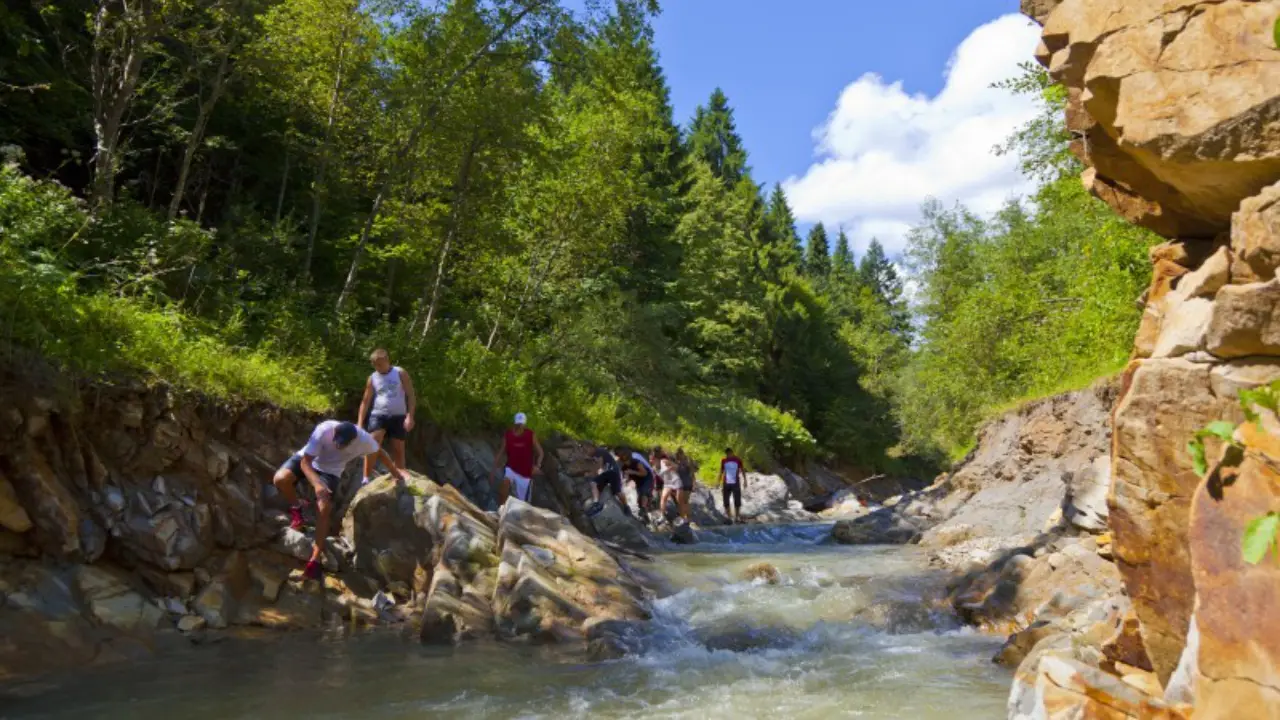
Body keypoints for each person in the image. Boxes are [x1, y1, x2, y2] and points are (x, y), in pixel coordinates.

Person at [273, 420, 405, 580]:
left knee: (324, 508)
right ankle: (297, 509)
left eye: (343, 444)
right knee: (280, 479)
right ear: (334, 432)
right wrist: (317, 485)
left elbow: (379, 453)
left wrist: (395, 473)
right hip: (308, 461)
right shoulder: (324, 430)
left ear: (353, 441)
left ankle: (315, 559)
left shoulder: (364, 440)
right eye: (337, 441)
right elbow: (305, 462)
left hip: (330, 472)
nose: (338, 446)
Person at [358, 348, 416, 486]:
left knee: (398, 448)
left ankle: (399, 474)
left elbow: (411, 395)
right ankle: (366, 477)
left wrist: (410, 416)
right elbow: (365, 401)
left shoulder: (400, 373)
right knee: (372, 443)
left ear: (387, 360)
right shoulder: (372, 378)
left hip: (398, 415)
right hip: (378, 414)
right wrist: (359, 423)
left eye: (379, 364)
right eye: (375, 365)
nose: (377, 367)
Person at [493, 412, 544, 504]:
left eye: (521, 423)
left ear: (524, 424)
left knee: (521, 502)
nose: (520, 426)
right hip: (511, 468)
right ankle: (501, 509)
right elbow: (501, 452)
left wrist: (537, 466)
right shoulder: (508, 435)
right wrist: (493, 470)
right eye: (518, 423)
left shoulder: (530, 435)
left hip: (525, 473)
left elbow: (540, 452)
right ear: (515, 423)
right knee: (505, 484)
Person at [586, 444, 627, 517]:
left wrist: (591, 474)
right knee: (594, 483)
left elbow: (599, 467)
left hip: (612, 472)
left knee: (617, 492)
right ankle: (596, 504)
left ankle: (626, 506)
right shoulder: (597, 453)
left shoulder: (599, 451)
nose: (586, 450)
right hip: (608, 473)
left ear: (592, 447)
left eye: (586, 448)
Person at [618, 447, 656, 520]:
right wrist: (627, 480)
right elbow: (626, 477)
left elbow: (644, 473)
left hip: (647, 478)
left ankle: (644, 508)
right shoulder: (624, 467)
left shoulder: (637, 462)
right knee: (639, 499)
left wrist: (633, 472)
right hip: (638, 481)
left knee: (644, 492)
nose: (625, 462)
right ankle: (646, 515)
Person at [718, 448, 747, 524]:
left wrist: (745, 480)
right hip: (726, 483)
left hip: (735, 482)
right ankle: (729, 517)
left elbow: (742, 470)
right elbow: (721, 471)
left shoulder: (738, 460)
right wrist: (718, 481)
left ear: (732, 452)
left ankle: (737, 517)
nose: (728, 455)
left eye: (729, 453)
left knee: (737, 500)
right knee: (725, 500)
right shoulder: (724, 460)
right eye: (727, 454)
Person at [657, 450, 681, 521]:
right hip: (667, 483)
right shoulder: (661, 463)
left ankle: (680, 512)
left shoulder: (673, 464)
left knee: (676, 498)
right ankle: (662, 514)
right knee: (663, 497)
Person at [675, 448, 696, 523]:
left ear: (681, 454)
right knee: (682, 501)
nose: (677, 456)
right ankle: (684, 517)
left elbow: (692, 474)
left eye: (678, 455)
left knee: (684, 502)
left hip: (686, 484)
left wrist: (694, 484)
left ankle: (687, 518)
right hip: (682, 484)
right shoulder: (679, 462)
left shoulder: (687, 462)